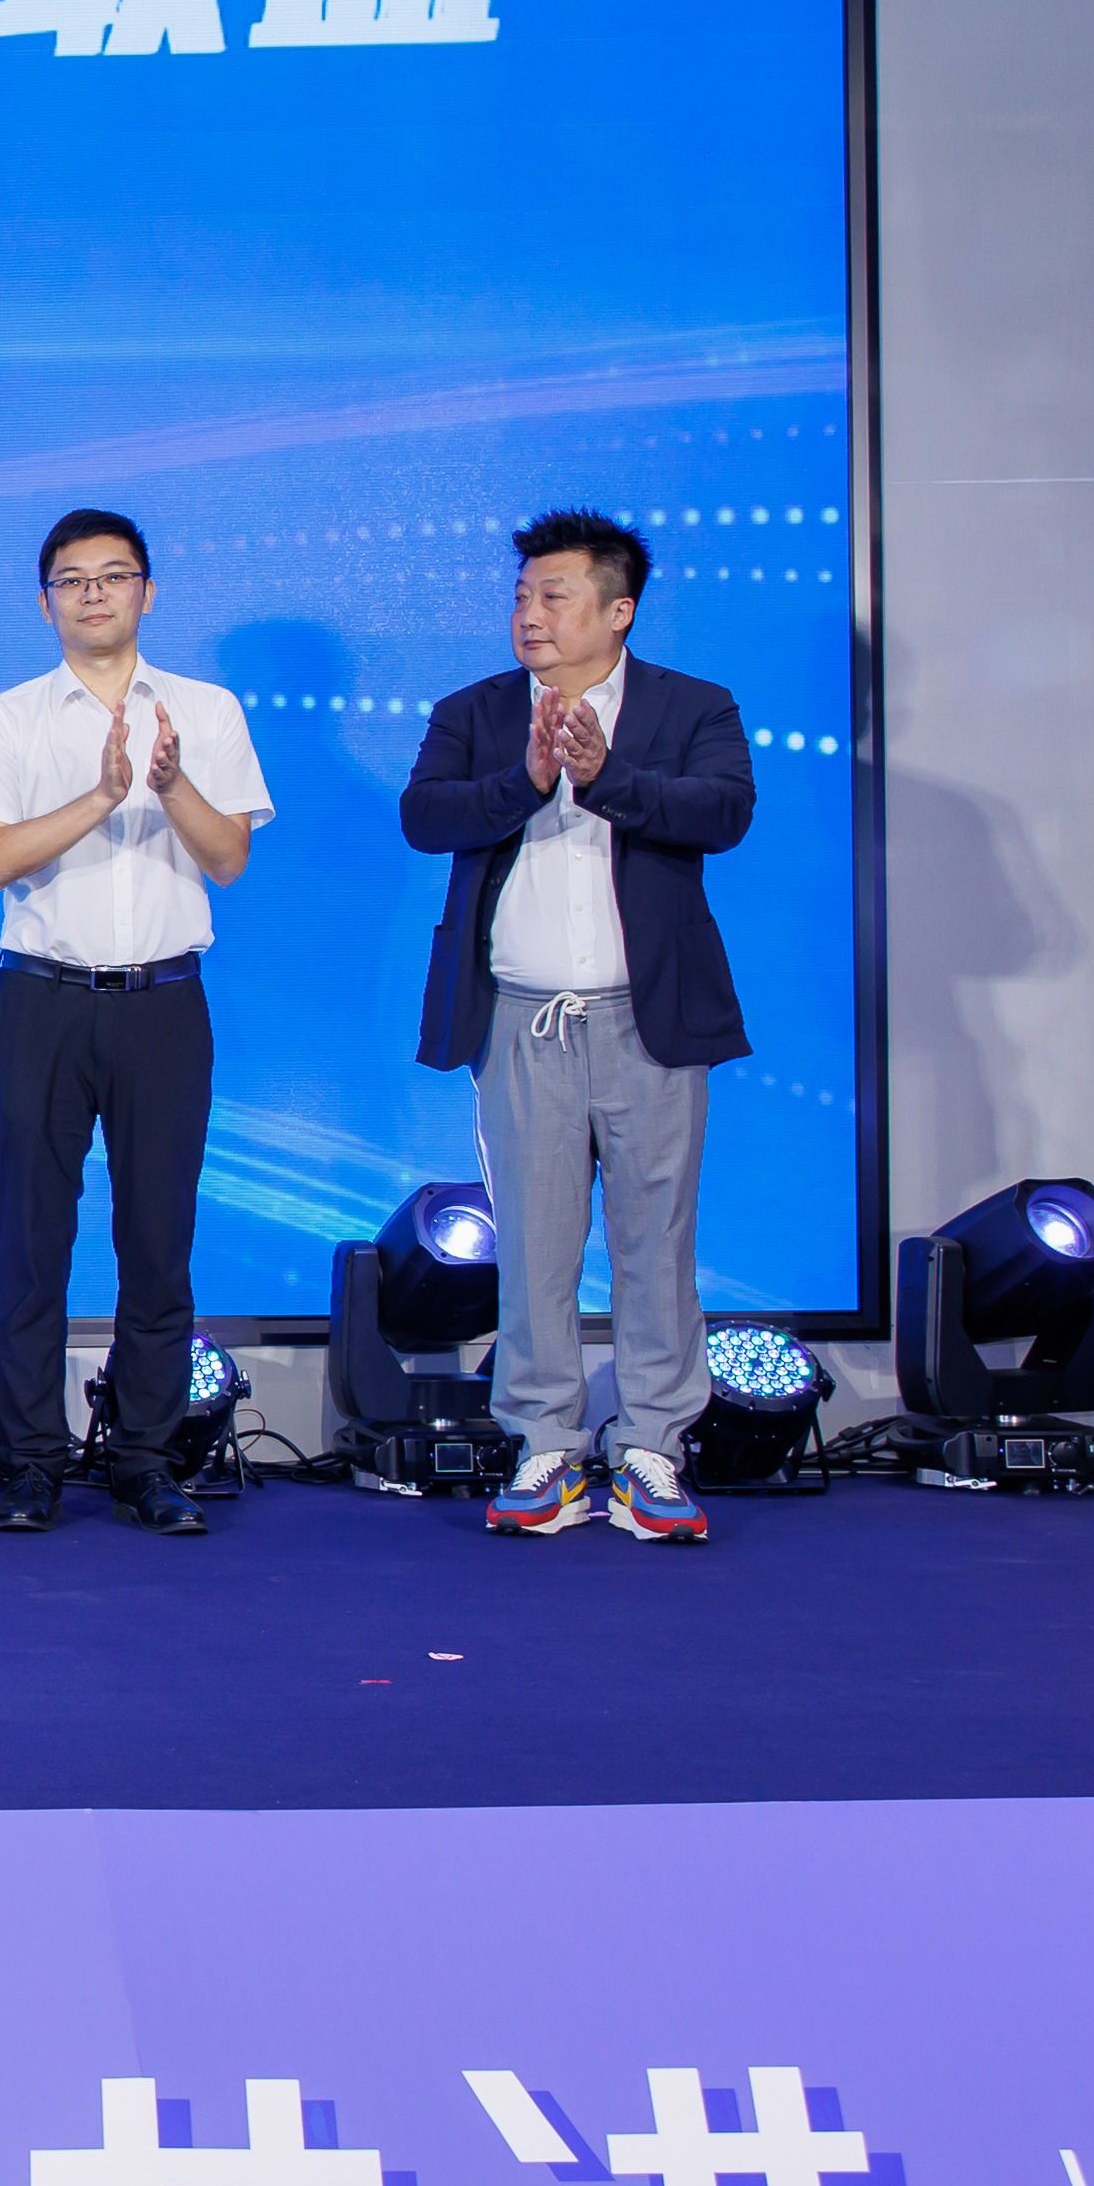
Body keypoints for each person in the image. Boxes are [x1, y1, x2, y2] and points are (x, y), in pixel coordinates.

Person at [399, 508, 755, 1544]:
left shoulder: (693, 706)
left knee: (656, 1242)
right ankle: (545, 1444)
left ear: (618, 609)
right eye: (521, 595)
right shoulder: (473, 711)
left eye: (553, 595)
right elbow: (425, 816)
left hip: (649, 1020)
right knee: (533, 1247)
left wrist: (603, 778)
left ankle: (650, 1446)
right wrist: (527, 780)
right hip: (520, 1022)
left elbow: (723, 813)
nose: (529, 614)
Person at [0, 508, 271, 1537]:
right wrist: (100, 797)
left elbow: (228, 857)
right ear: (44, 603)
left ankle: (143, 1460)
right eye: (72, 579)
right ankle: (30, 1461)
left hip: (163, 1005)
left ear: (148, 591)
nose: (93, 593)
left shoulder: (204, 710)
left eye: (113, 575)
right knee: (32, 1240)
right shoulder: (9, 718)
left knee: (158, 1241)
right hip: (40, 1002)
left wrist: (168, 786)